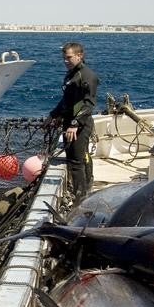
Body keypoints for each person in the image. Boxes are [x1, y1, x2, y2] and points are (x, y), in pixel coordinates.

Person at [47, 41, 100, 202]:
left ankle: (81, 199)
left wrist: (75, 124)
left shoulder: (88, 76)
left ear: (79, 55)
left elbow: (88, 104)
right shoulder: (71, 74)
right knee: (77, 157)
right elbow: (67, 101)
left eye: (69, 57)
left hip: (80, 125)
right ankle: (86, 188)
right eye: (64, 58)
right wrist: (53, 115)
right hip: (69, 123)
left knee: (76, 162)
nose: (65, 61)